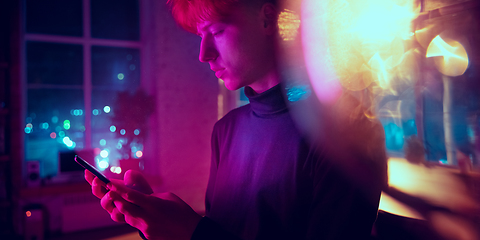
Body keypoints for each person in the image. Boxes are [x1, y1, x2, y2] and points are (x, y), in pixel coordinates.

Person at [85, 0, 385, 239]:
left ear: (268, 20)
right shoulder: (226, 130)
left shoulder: (348, 133)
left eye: (216, 32)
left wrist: (192, 232)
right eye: (200, 36)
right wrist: (154, 219)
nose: (204, 54)